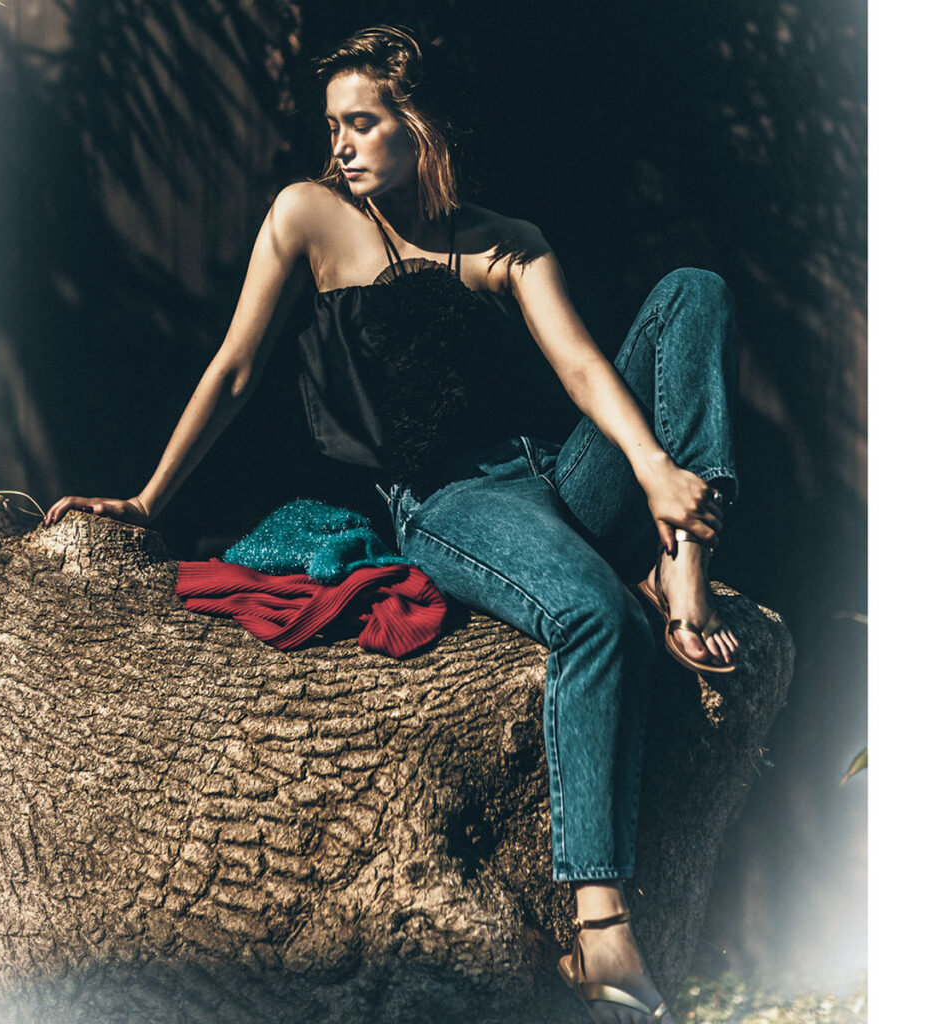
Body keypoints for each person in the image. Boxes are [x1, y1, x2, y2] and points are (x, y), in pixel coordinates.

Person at [43, 25, 741, 1023]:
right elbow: (235, 369)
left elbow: (585, 370)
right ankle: (601, 925)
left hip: (556, 475)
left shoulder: (504, 239)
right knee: (593, 615)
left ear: (422, 126)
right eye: (335, 124)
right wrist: (150, 500)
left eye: (364, 122)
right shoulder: (309, 216)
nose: (342, 143)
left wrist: (656, 470)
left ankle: (686, 562)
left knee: (692, 294)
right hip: (448, 501)